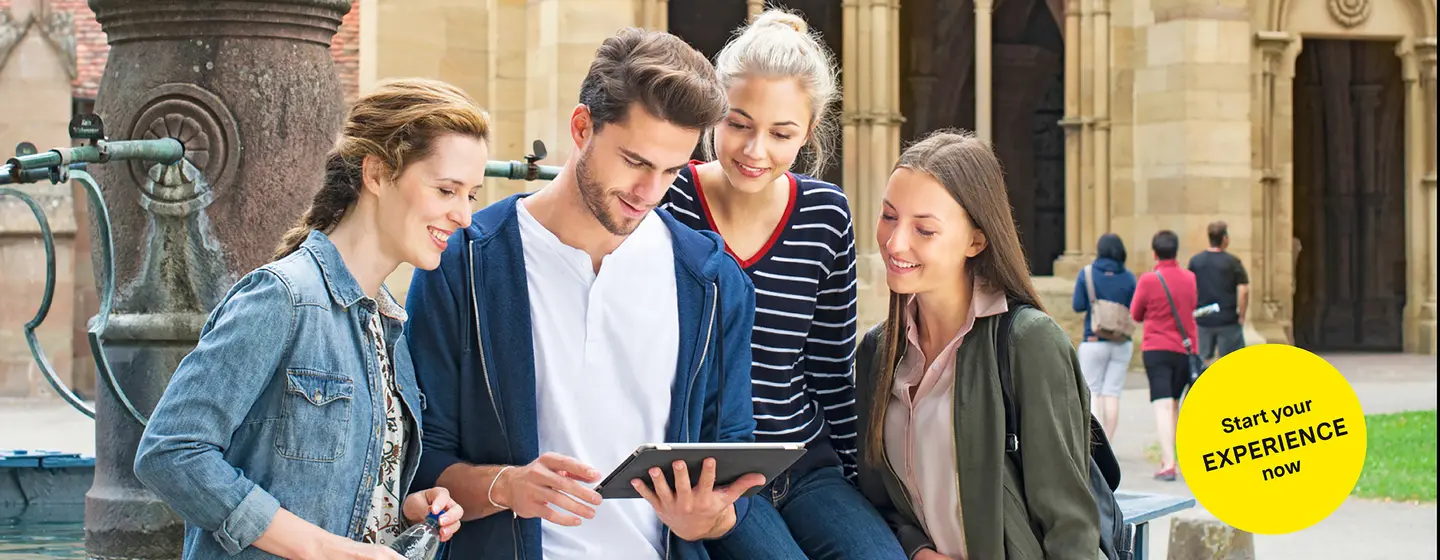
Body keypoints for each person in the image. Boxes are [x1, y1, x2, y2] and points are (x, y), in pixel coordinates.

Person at [404, 28, 763, 560]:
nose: (650, 192)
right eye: (635, 161)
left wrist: (710, 518)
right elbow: (421, 462)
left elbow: (733, 457)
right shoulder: (465, 263)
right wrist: (507, 485)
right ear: (581, 127)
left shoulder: (711, 282)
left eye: (671, 171)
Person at [132, 78, 479, 559]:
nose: (464, 216)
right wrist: (323, 549)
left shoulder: (390, 326)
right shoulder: (283, 297)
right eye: (446, 190)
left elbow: (335, 492)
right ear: (377, 173)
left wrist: (403, 508)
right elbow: (171, 452)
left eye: (470, 196)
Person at [659, 10, 905, 560]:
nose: (755, 150)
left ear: (809, 133)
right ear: (714, 113)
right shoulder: (669, 200)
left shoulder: (825, 215)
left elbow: (830, 372)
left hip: (805, 463)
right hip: (711, 474)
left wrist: (862, 492)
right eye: (739, 124)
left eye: (781, 133)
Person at [854, 130, 1100, 560]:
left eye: (924, 229)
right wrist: (916, 549)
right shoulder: (878, 352)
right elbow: (876, 498)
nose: (894, 243)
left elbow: (1070, 528)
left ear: (976, 240)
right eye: (889, 216)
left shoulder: (1029, 344)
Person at [1129, 230, 1198, 481]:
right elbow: (1191, 307)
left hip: (1157, 348)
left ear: (1154, 253)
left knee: (1162, 404)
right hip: (1184, 349)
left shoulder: (1149, 280)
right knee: (1175, 404)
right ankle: (1174, 457)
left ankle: (1169, 463)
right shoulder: (1190, 278)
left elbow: (1136, 314)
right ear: (1176, 251)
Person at [1071, 233, 1137, 440]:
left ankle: (1096, 444)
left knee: (1093, 391)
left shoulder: (1087, 274)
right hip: (1121, 342)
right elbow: (1134, 309)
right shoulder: (1129, 277)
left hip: (1094, 340)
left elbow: (1078, 305)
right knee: (1112, 393)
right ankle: (1108, 441)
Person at [1188, 220, 1249, 364]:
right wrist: (1242, 315)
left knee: (1202, 361)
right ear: (1225, 238)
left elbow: (1190, 288)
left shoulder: (1196, 261)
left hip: (1203, 317)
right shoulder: (1233, 262)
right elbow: (1244, 291)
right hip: (1227, 318)